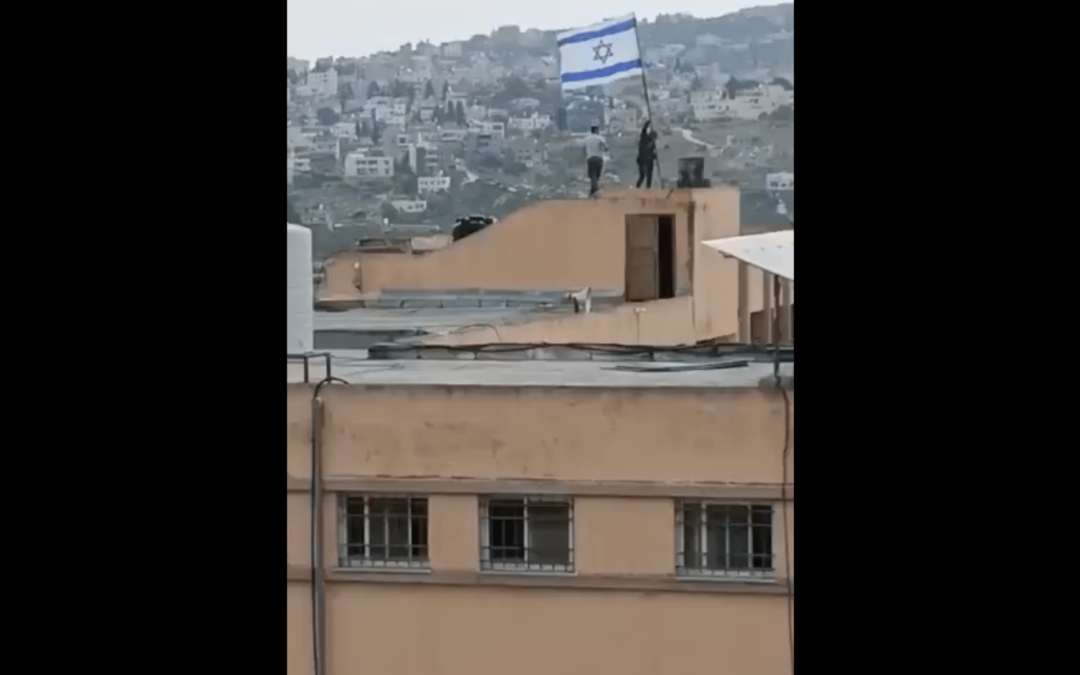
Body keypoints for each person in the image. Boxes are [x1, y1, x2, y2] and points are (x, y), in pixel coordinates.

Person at [584, 126, 607, 198]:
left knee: (592, 175)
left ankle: (594, 191)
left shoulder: (587, 139)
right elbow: (606, 148)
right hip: (599, 159)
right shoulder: (601, 138)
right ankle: (594, 191)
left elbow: (584, 149)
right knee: (596, 176)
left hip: (590, 158)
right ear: (597, 131)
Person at [636, 121, 658, 188]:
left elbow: (651, 152)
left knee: (649, 175)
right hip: (642, 160)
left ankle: (648, 188)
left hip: (648, 160)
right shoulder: (644, 138)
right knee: (642, 175)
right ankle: (638, 187)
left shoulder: (653, 144)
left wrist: (655, 156)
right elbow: (643, 131)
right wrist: (647, 124)